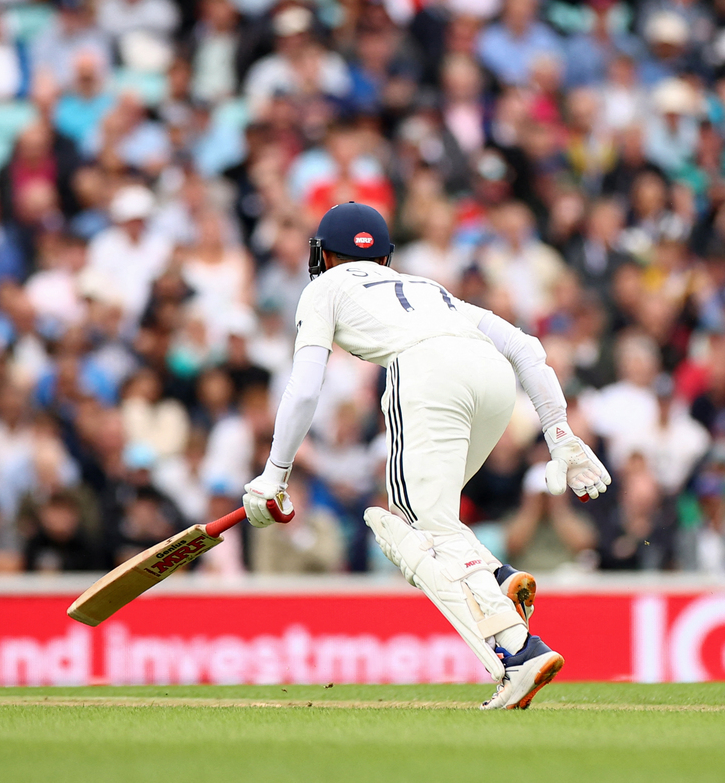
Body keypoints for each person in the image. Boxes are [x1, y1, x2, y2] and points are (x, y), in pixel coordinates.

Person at [242, 202, 611, 709]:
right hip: (493, 378)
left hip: (426, 372)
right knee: (433, 520)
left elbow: (304, 389)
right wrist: (558, 432)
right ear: (386, 258)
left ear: (324, 254)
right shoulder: (427, 287)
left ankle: (519, 651)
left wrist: (273, 475)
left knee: (418, 530)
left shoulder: (323, 287)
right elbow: (525, 346)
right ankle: (499, 577)